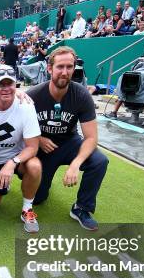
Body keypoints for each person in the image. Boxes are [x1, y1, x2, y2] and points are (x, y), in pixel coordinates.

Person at [26, 46, 108, 231]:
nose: (65, 72)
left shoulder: (81, 95)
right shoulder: (34, 94)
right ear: (50, 69)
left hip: (70, 142)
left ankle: (81, 208)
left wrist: (76, 164)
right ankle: (41, 184)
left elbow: (91, 137)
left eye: (69, 67)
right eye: (60, 67)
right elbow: (19, 127)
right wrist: (38, 139)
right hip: (44, 146)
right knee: (38, 199)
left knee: (99, 161)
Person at [0, 65, 42, 233]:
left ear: (16, 86)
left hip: (18, 159)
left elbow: (33, 147)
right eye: (1, 84)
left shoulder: (26, 107)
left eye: (10, 84)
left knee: (35, 165)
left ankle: (27, 209)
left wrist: (12, 162)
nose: (6, 89)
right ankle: (1, 185)